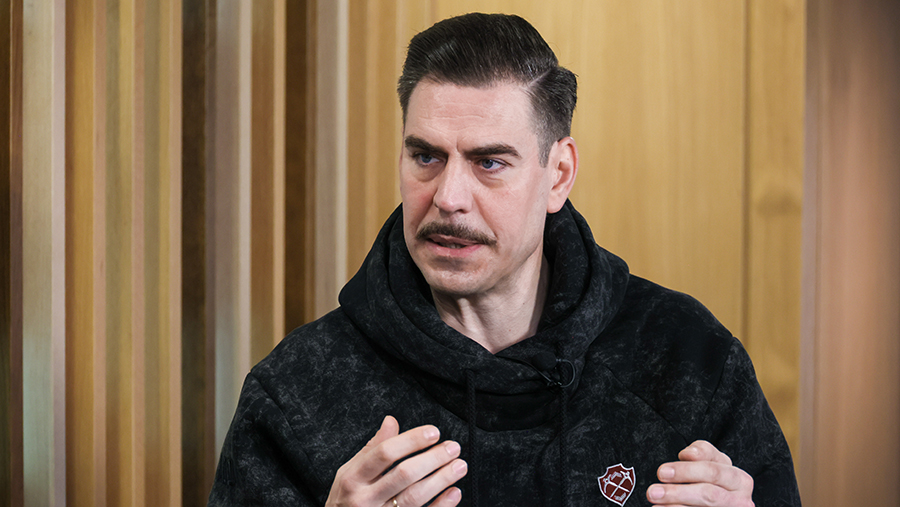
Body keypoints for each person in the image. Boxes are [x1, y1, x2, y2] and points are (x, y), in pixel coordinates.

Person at [209, 13, 800, 507]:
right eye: (426, 157)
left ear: (558, 174)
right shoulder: (296, 393)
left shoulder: (690, 358)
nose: (448, 197)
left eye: (489, 162)